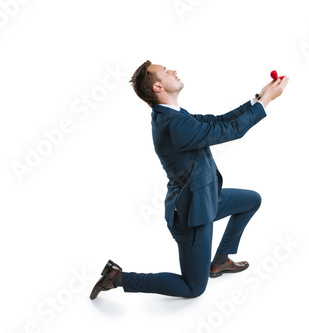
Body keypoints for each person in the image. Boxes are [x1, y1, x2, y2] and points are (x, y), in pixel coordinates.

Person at [90, 60, 289, 299]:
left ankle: (220, 261)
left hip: (207, 197)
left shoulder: (173, 115)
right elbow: (232, 130)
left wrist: (258, 98)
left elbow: (218, 121)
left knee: (251, 200)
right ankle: (117, 278)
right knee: (194, 288)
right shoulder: (175, 124)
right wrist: (267, 102)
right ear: (157, 87)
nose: (173, 70)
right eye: (165, 72)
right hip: (192, 214)